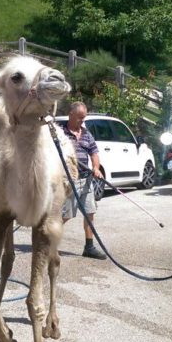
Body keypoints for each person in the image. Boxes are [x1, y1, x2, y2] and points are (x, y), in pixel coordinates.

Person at [61, 101, 105, 260]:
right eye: (80, 117)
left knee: (89, 213)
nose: (82, 121)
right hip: (67, 181)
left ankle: (89, 247)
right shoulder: (61, 132)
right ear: (71, 115)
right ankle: (47, 242)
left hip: (85, 180)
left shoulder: (86, 133)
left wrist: (95, 167)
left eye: (84, 118)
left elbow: (94, 153)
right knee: (65, 216)